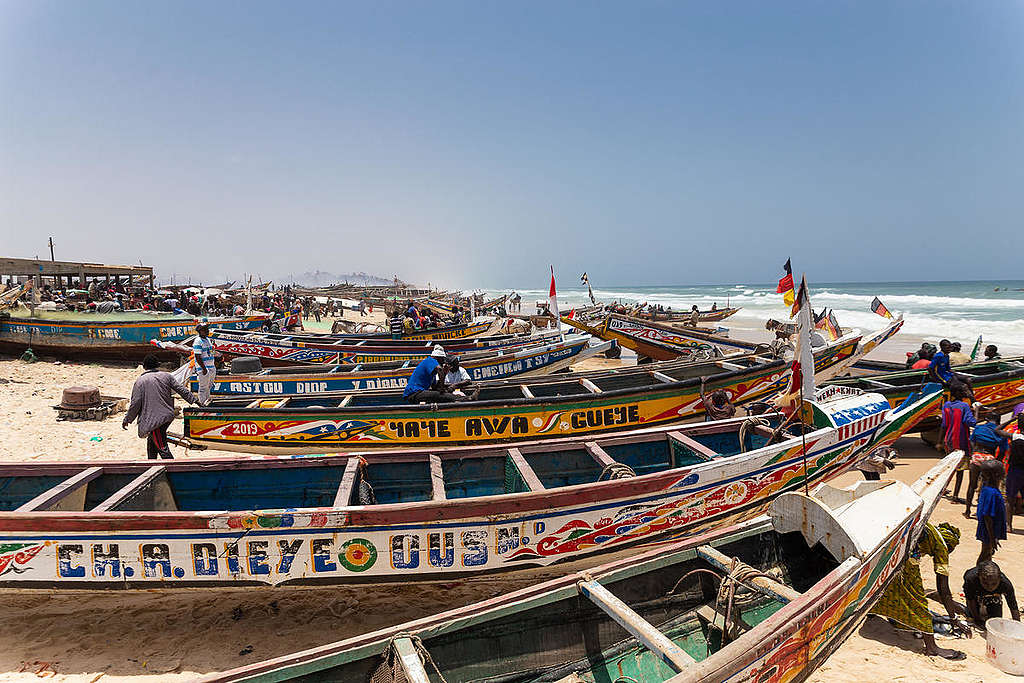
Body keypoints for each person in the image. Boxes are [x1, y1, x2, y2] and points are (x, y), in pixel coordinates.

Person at [870, 522, 968, 660]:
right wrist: (954, 619)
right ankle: (932, 647)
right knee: (918, 599)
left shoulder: (930, 529)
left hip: (894, 548)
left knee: (888, 585)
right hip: (907, 557)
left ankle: (871, 612)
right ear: (949, 545)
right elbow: (943, 589)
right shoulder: (942, 546)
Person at [122, 354, 199, 459]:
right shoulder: (166, 376)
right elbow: (181, 389)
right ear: (157, 365)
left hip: (155, 419)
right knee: (152, 442)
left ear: (144, 366)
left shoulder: (140, 381)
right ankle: (151, 464)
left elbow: (135, 403)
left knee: (162, 448)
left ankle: (173, 470)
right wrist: (195, 401)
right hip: (167, 416)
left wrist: (127, 419)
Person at [965, 409, 1011, 517]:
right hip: (990, 458)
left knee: (972, 484)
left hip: (977, 455)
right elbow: (1003, 450)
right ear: (998, 421)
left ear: (986, 419)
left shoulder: (979, 428)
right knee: (985, 486)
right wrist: (995, 461)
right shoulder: (1000, 432)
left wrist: (973, 453)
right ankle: (980, 511)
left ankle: (967, 511)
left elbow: (972, 441)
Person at [941, 384, 976, 503]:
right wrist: (976, 412)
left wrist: (940, 441)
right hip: (960, 441)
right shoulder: (964, 406)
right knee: (960, 470)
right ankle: (955, 496)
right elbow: (970, 422)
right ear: (959, 394)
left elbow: (944, 424)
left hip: (948, 440)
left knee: (949, 467)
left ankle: (942, 490)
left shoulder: (946, 405)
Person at [964, 561, 1020, 627]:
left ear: (1000, 579)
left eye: (994, 583)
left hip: (994, 596)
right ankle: (964, 609)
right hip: (977, 594)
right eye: (985, 583)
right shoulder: (971, 580)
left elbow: (1013, 606)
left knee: (996, 619)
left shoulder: (1005, 584)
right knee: (972, 614)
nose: (990, 587)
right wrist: (977, 620)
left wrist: (1018, 626)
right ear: (979, 577)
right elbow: (970, 600)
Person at [976, 459, 1007, 563]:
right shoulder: (991, 493)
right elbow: (987, 516)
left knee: (988, 553)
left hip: (990, 530)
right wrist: (992, 537)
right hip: (988, 530)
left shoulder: (989, 489)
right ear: (993, 475)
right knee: (985, 552)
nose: (1004, 472)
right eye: (1001, 471)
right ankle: (976, 575)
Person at [191, 322, 217, 405]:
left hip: (211, 366)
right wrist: (204, 368)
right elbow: (197, 357)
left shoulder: (208, 340)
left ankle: (207, 403)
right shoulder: (198, 341)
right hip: (204, 368)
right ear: (200, 331)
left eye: (207, 329)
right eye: (205, 329)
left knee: (208, 387)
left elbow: (211, 352)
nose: (207, 331)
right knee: (203, 388)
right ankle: (202, 404)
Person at [1007, 415, 1024, 532]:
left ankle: (1008, 525)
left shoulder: (1015, 436)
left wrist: (1010, 420)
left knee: (1010, 499)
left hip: (1015, 471)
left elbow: (997, 430)